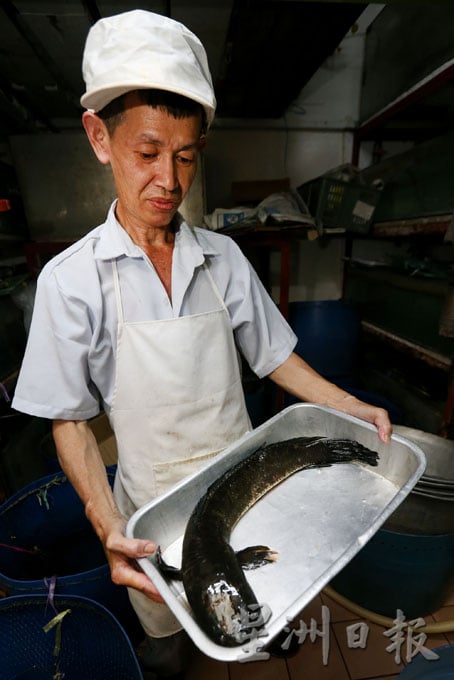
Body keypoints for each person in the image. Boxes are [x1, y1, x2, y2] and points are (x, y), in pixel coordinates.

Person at [12, 9, 391, 679]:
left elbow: (274, 357)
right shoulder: (70, 282)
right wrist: (107, 527)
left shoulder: (222, 258)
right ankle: (166, 659)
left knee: (257, 607)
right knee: (168, 638)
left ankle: (255, 647)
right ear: (100, 138)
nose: (170, 180)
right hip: (155, 510)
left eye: (186, 156)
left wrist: (346, 404)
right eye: (149, 152)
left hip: (247, 486)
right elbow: (68, 420)